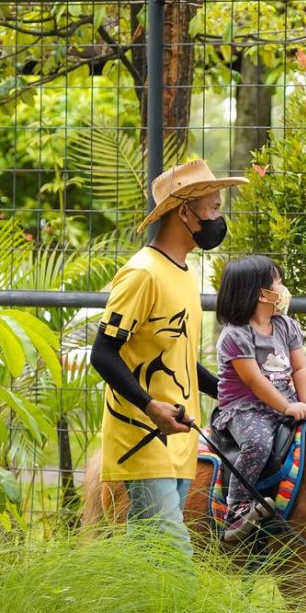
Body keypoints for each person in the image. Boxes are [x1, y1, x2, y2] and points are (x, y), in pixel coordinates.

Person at [89, 159, 246, 556]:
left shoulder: (183, 272)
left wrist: (234, 390)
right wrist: (149, 406)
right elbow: (103, 353)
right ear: (184, 213)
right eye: (212, 210)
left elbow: (178, 359)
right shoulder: (142, 274)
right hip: (142, 439)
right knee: (175, 558)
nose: (218, 220)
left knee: (147, 560)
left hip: (179, 440)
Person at [212, 255, 306, 542]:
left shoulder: (286, 325)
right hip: (246, 409)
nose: (283, 287)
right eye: (278, 282)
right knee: (257, 444)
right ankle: (237, 509)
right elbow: (254, 381)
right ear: (262, 294)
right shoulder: (235, 336)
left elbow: (300, 368)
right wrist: (287, 407)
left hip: (287, 400)